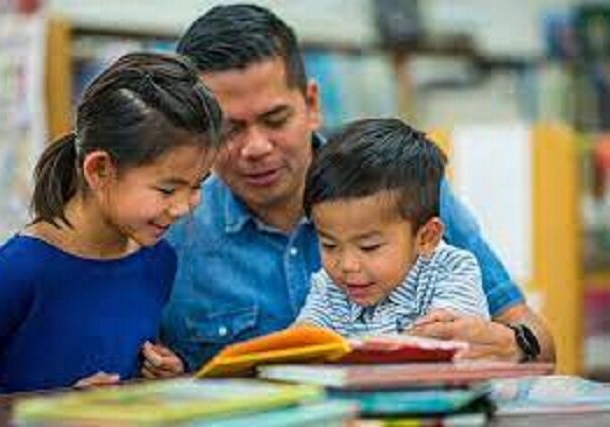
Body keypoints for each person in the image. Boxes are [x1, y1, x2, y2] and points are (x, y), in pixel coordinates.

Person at [160, 4, 554, 372]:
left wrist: (515, 344)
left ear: (312, 104)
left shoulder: (407, 192)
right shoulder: (167, 231)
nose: (256, 147)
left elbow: (543, 344)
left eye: (276, 119)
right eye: (229, 129)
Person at [0, 52, 222, 396]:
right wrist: (52, 407)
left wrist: (163, 374)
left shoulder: (159, 260)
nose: (183, 208)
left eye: (197, 186)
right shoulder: (18, 269)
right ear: (99, 170)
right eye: (167, 189)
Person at [296, 118, 489, 335]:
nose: (347, 265)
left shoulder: (451, 270)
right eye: (329, 245)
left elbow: (442, 337)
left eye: (369, 247)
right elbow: (304, 338)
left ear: (426, 237)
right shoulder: (328, 287)